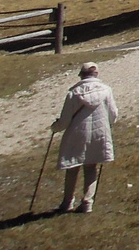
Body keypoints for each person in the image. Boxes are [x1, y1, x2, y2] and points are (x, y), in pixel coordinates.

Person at [51, 62, 119, 214]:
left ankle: (67, 202)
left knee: (73, 167)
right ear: (96, 75)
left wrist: (55, 128)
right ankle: (88, 202)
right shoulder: (106, 90)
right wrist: (110, 124)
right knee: (91, 167)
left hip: (77, 133)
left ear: (81, 75)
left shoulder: (74, 93)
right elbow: (113, 114)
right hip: (99, 132)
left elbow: (64, 120)